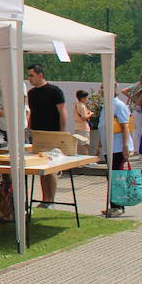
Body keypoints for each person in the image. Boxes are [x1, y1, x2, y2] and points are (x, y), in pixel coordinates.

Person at [26, 64, 67, 205]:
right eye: (29, 76)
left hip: (52, 133)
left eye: (31, 75)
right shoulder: (31, 93)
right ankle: (45, 199)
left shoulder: (54, 91)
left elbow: (62, 111)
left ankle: (51, 200)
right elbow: (32, 112)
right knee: (41, 168)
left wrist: (61, 132)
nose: (29, 78)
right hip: (38, 134)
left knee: (52, 168)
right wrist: (30, 128)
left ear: (40, 75)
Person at [98, 90, 135, 216]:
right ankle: (113, 204)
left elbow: (125, 126)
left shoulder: (118, 105)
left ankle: (118, 206)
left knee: (116, 177)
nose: (101, 91)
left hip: (118, 147)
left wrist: (125, 147)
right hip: (109, 147)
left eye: (104, 88)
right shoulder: (106, 106)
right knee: (112, 176)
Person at [71, 90, 93, 154]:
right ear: (83, 98)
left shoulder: (76, 104)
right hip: (83, 127)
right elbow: (84, 118)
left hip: (77, 127)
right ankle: (87, 161)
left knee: (78, 145)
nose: (87, 99)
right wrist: (91, 114)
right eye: (86, 97)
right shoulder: (82, 106)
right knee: (85, 145)